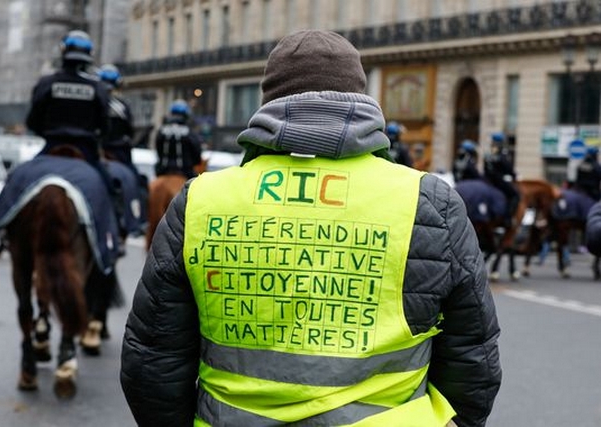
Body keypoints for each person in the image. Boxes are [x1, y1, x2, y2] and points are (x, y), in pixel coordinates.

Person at [121, 30, 501, 427]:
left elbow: (151, 360)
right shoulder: (431, 202)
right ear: (361, 98)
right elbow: (473, 359)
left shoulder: (200, 200)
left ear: (268, 100)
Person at [25, 30, 126, 234]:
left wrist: (47, 131)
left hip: (51, 146)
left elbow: (32, 120)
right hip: (85, 150)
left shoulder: (47, 83)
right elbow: (104, 126)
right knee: (110, 189)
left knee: (20, 180)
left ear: (63, 51)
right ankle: (115, 232)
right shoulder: (96, 87)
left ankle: (3, 227)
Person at [98, 64, 137, 173]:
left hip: (96, 147)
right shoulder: (123, 105)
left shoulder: (94, 100)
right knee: (135, 178)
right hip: (118, 150)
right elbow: (130, 131)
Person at [154, 99, 203, 179]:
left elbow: (158, 150)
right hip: (185, 172)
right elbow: (196, 154)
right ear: (186, 115)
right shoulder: (189, 132)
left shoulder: (162, 130)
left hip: (163, 171)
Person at [484, 132, 520, 226]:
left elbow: (485, 170)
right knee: (515, 195)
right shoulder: (502, 155)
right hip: (499, 182)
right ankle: (508, 218)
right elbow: (508, 168)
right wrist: (514, 175)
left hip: (487, 182)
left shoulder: (487, 155)